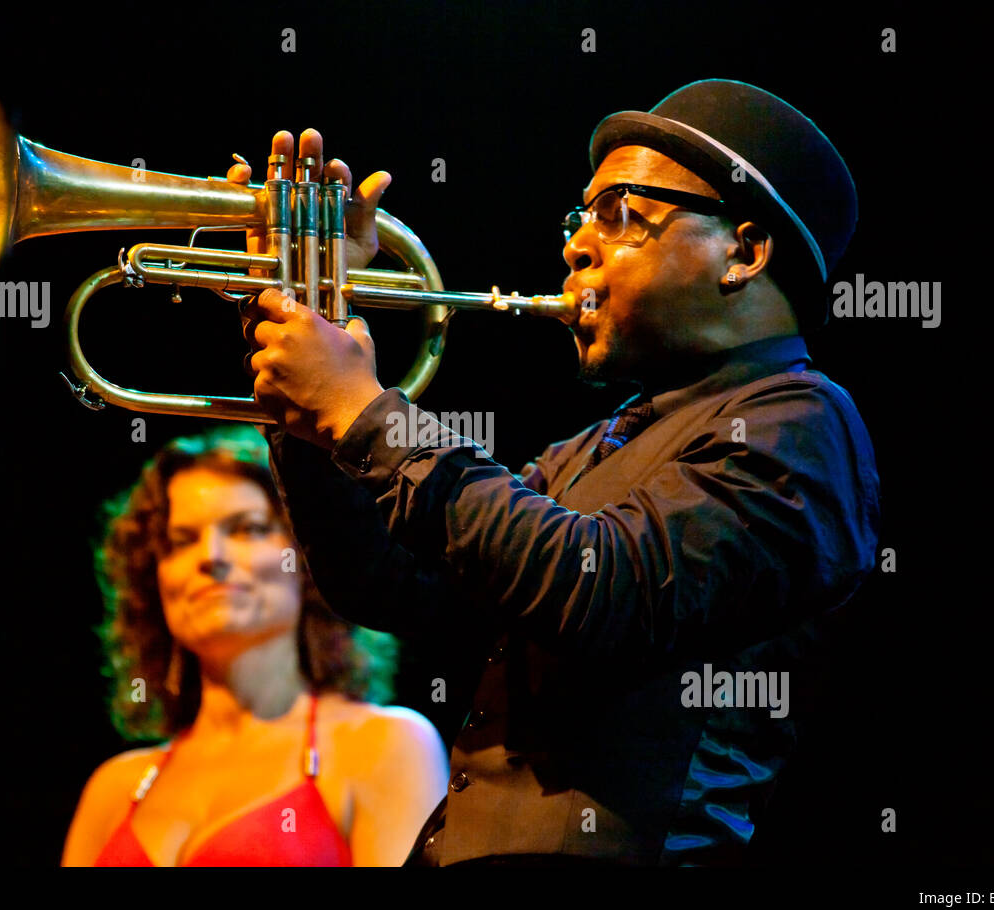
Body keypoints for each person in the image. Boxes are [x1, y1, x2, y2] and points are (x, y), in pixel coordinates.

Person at [232, 79, 881, 864]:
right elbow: (393, 583)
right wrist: (310, 384)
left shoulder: (803, 422)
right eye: (582, 218)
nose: (575, 245)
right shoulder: (595, 447)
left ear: (743, 251)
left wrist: (366, 414)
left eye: (618, 216)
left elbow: (604, 588)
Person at [61, 426, 449, 866]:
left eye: (247, 528)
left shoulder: (386, 746)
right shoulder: (113, 788)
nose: (211, 556)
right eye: (181, 540)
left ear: (306, 557)